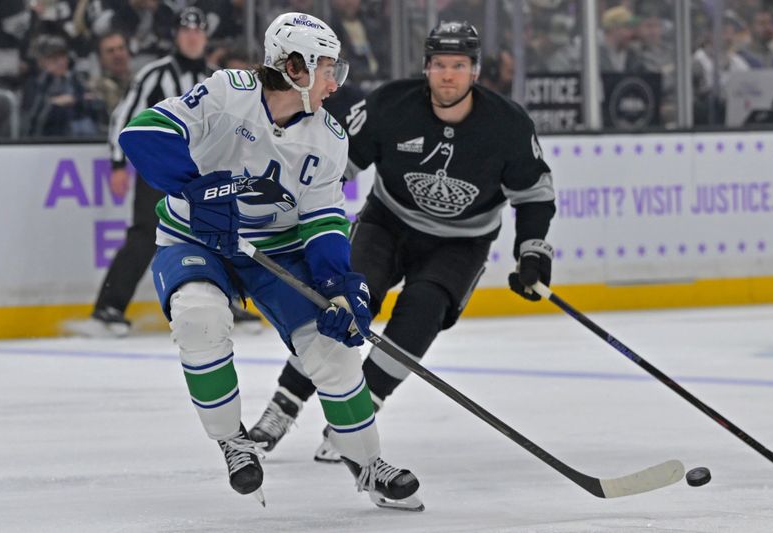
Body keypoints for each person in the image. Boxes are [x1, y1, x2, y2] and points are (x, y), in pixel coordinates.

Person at [114, 11, 423, 510]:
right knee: (198, 318)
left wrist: (341, 283)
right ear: (295, 67)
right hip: (196, 239)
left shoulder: (329, 136)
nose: (334, 83)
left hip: (275, 250)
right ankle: (233, 441)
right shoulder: (226, 92)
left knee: (333, 353)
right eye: (327, 69)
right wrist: (198, 191)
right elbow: (143, 133)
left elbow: (323, 222)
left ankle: (368, 465)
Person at [249, 21, 556, 463]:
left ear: (475, 71)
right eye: (439, 65)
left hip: (460, 242)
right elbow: (338, 164)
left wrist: (533, 250)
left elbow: (534, 194)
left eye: (459, 65)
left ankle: (354, 415)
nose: (448, 75)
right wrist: (296, 214)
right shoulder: (392, 105)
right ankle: (283, 405)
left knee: (423, 311)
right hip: (386, 223)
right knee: (346, 301)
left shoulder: (507, 124)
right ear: (427, 68)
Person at [65, 7, 260, 336]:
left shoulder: (218, 78)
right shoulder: (155, 74)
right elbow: (124, 117)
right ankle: (108, 308)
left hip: (205, 172)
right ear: (176, 36)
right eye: (186, 32)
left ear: (206, 37)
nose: (193, 38)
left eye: (198, 32)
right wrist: (117, 163)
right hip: (160, 169)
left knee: (218, 234)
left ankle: (226, 305)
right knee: (145, 233)